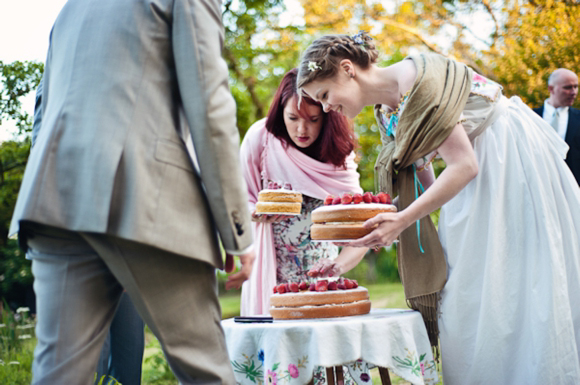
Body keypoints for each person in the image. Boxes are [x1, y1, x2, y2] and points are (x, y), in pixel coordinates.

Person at [297, 32, 580, 385]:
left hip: (506, 159)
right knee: (468, 296)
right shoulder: (385, 114)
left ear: (347, 69)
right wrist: (357, 243)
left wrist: (400, 221)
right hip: (473, 179)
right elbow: (425, 186)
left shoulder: (418, 78)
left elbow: (465, 166)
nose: (325, 108)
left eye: (324, 95)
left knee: (516, 285)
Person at [10, 0, 255, 384]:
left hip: (53, 197)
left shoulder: (72, 8)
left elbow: (43, 111)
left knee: (58, 376)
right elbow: (209, 105)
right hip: (143, 195)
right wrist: (237, 231)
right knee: (207, 371)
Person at [239, 68, 370, 384]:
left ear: (328, 115)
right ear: (279, 112)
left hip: (322, 281)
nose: (302, 129)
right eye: (293, 118)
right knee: (284, 371)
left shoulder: (339, 153)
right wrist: (254, 213)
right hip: (272, 280)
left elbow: (363, 231)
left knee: (333, 368)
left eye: (313, 119)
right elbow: (237, 200)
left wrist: (337, 266)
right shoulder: (261, 139)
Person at [533, 68, 580, 183]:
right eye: (568, 87)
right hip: (539, 184)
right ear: (551, 88)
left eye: (576, 86)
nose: (574, 92)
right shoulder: (530, 117)